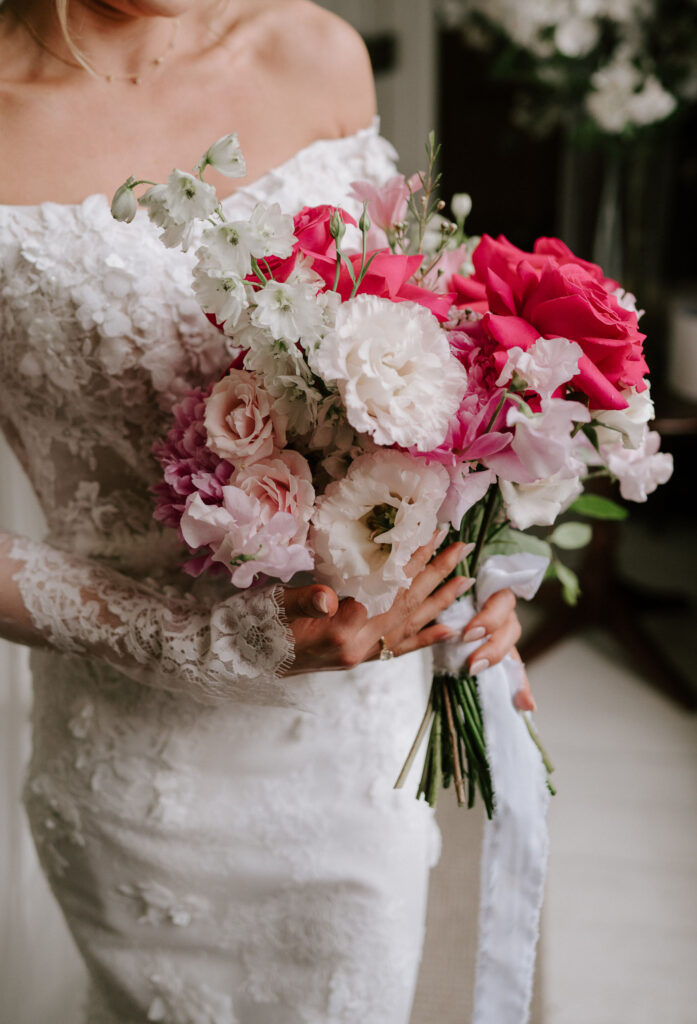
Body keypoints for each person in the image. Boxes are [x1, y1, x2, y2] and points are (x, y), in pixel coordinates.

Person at [0, 2, 529, 1021]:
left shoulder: (312, 51)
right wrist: (197, 640)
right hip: (140, 772)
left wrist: (463, 570)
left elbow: (408, 373)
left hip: (350, 757)